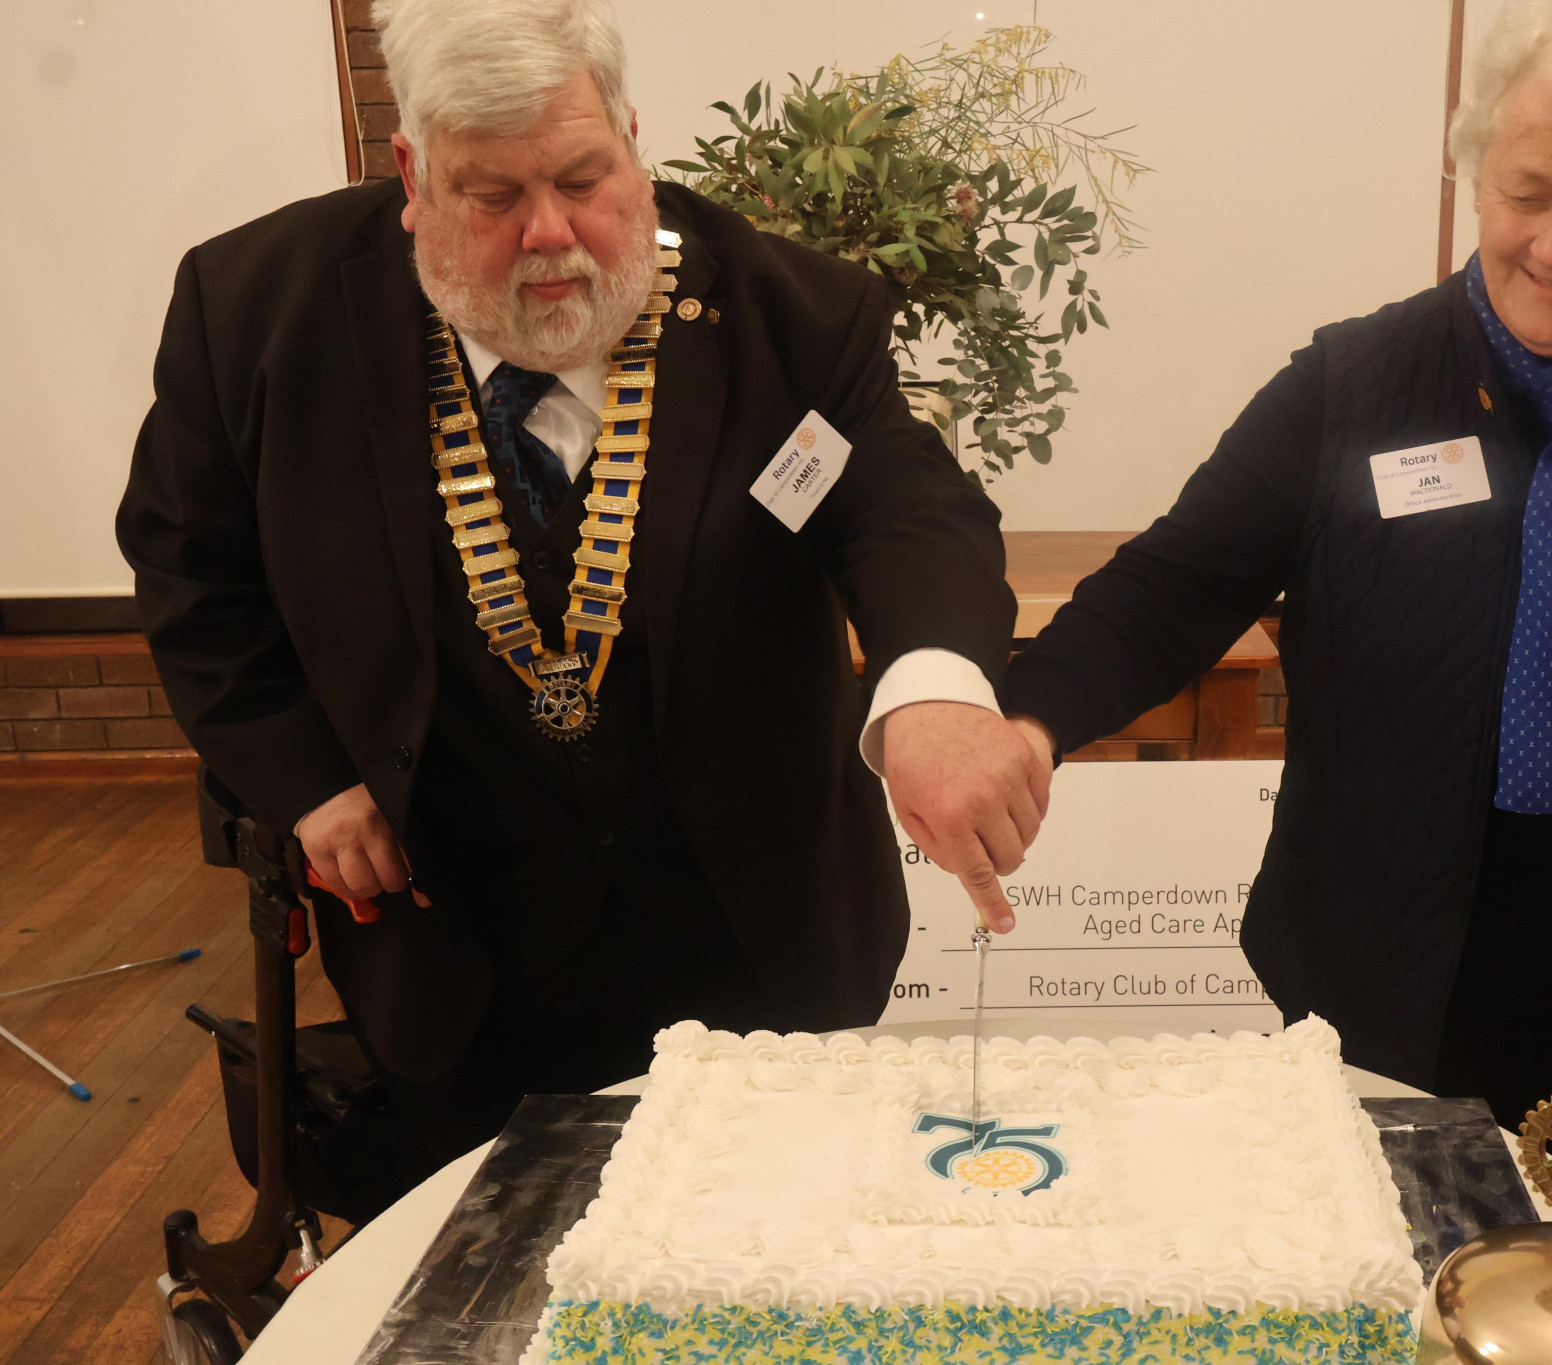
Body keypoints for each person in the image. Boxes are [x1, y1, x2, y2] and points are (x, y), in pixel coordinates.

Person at [116, 0, 1047, 1167]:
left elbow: (904, 511)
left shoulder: (794, 316)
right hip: (452, 938)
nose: (551, 235)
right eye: (492, 197)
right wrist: (305, 782)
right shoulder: (252, 312)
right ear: (412, 174)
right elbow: (192, 569)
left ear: (631, 137)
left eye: (582, 177)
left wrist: (936, 692)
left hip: (755, 934)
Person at [996, 0, 1552, 1230]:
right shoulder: (1356, 384)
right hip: (1380, 952)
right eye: (1523, 191)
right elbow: (1174, 586)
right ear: (1473, 174)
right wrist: (1024, 722)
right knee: (1379, 1264)